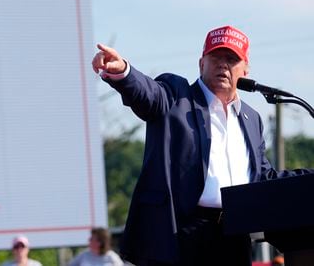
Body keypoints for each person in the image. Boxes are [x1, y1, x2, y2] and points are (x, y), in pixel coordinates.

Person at [92, 25, 311, 265]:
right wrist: (123, 71)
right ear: (201, 63)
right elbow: (148, 93)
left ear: (245, 69)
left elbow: (262, 177)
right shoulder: (177, 96)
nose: (222, 64)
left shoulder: (251, 119)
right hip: (181, 234)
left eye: (231, 59)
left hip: (234, 235)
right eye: (215, 57)